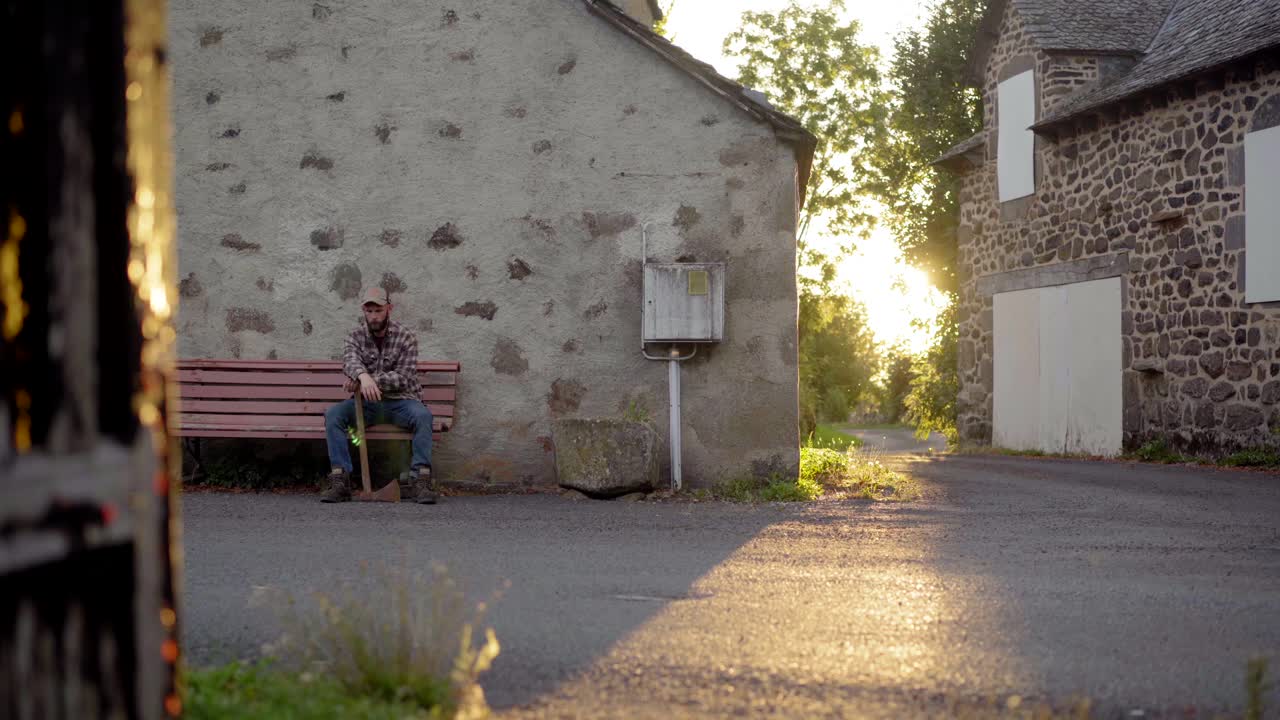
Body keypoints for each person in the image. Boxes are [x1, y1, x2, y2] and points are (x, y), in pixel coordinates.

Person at [320, 287, 438, 504]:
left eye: (378, 310)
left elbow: (403, 377)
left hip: (402, 401)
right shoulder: (354, 336)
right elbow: (350, 360)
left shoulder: (406, 337)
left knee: (424, 417)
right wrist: (361, 376)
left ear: (389, 309)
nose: (374, 316)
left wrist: (365, 378)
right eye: (369, 311)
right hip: (367, 404)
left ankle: (420, 479)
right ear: (363, 311)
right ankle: (340, 480)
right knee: (334, 414)